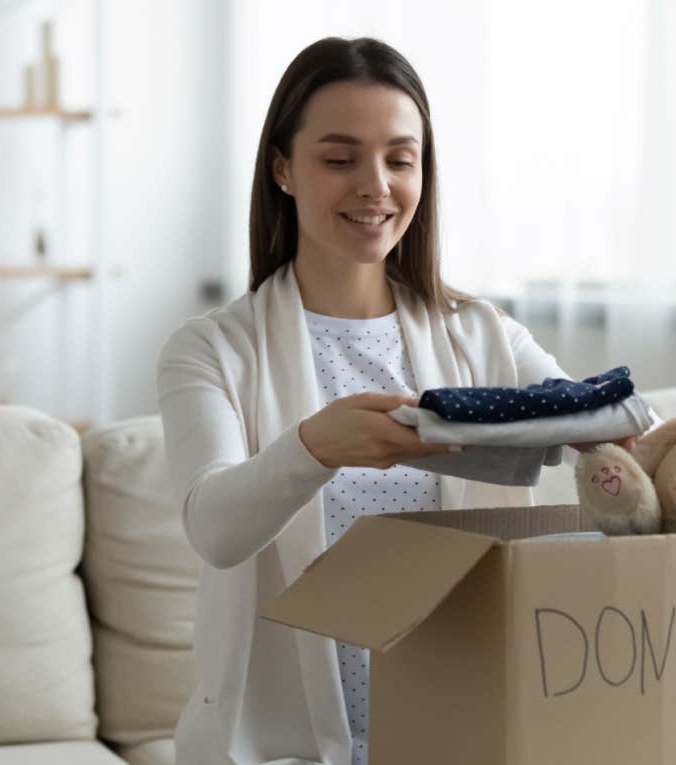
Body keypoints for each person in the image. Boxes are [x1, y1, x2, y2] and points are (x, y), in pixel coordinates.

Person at [157, 36, 626, 765]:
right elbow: (213, 527)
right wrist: (314, 448)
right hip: (286, 749)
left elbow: (599, 422)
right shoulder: (213, 350)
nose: (375, 185)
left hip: (458, 733)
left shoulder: (480, 333)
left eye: (400, 159)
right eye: (340, 159)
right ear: (283, 167)